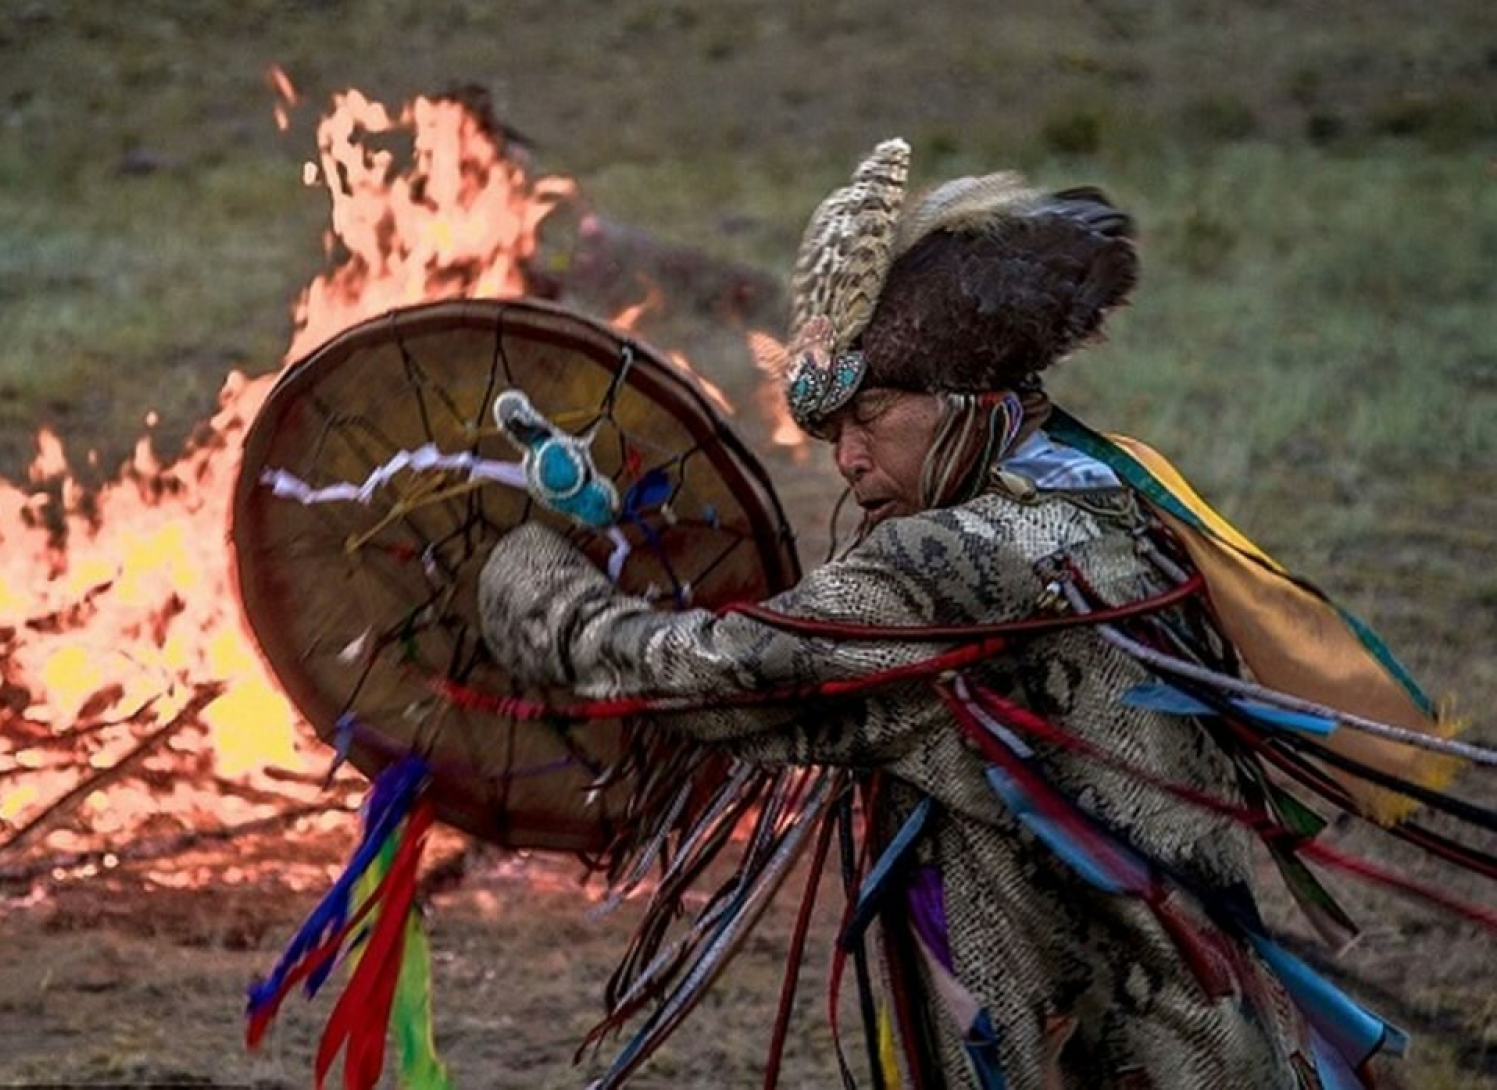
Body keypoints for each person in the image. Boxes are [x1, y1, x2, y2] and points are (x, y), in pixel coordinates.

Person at [477, 139, 1453, 1088]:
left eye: (871, 419)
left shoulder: (949, 564)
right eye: (831, 431)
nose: (847, 459)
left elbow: (727, 674)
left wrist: (531, 589)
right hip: (1209, 1034)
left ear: (966, 400)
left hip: (1112, 1051)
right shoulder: (1101, 494)